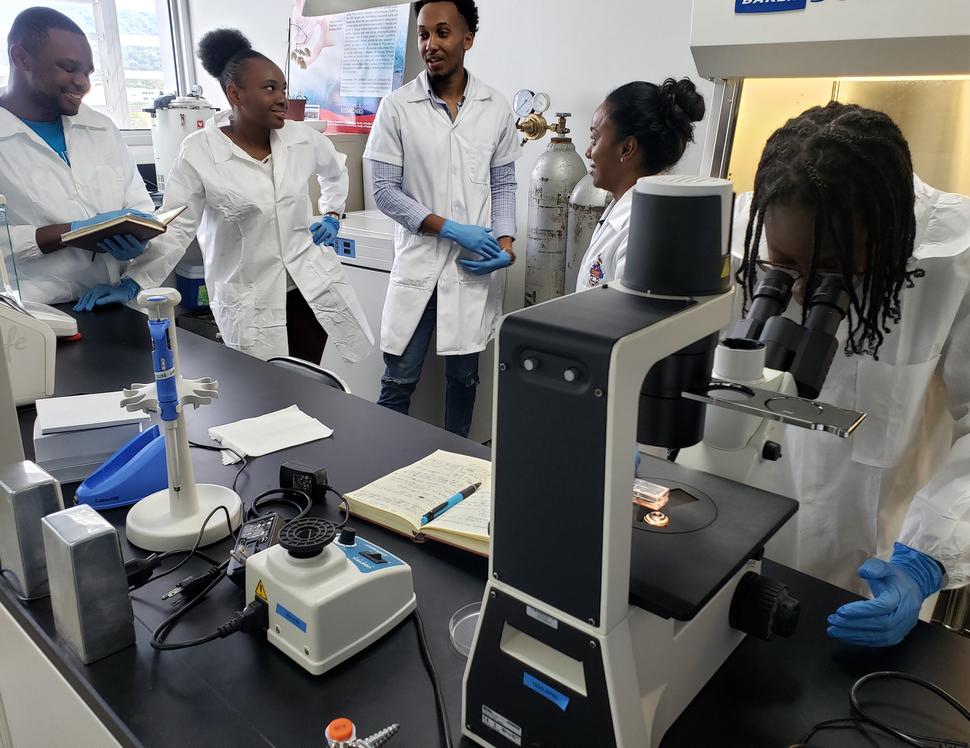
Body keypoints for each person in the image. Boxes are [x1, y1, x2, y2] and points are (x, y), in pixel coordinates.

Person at [733, 102, 970, 647]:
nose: (800, 291)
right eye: (785, 264)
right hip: (736, 552)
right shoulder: (742, 226)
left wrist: (926, 556)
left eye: (833, 271)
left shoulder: (953, 258)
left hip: (872, 574)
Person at [77, 29, 374, 365]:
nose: (282, 99)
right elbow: (176, 227)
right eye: (270, 88)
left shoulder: (301, 138)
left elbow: (335, 171)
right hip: (251, 299)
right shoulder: (200, 151)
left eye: (283, 89)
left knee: (310, 379)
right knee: (263, 386)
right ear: (235, 93)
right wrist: (133, 283)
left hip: (309, 290)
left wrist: (332, 215)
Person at [363, 0, 520, 438]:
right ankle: (381, 464)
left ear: (467, 39)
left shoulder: (495, 107)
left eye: (442, 33)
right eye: (423, 33)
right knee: (398, 380)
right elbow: (384, 191)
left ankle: (457, 463)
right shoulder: (397, 106)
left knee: (464, 381)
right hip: (419, 264)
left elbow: (504, 184)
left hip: (471, 268)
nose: (430, 44)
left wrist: (505, 245)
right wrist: (447, 227)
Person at [0, 6, 155, 304]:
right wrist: (67, 234)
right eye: (69, 68)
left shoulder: (101, 128)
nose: (83, 83)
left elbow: (139, 206)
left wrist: (140, 240)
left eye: (87, 72)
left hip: (110, 303)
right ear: (21, 58)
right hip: (32, 313)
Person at [576, 78, 705, 291]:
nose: (589, 151)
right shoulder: (622, 210)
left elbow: (625, 310)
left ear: (627, 149)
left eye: (595, 139)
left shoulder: (641, 233)